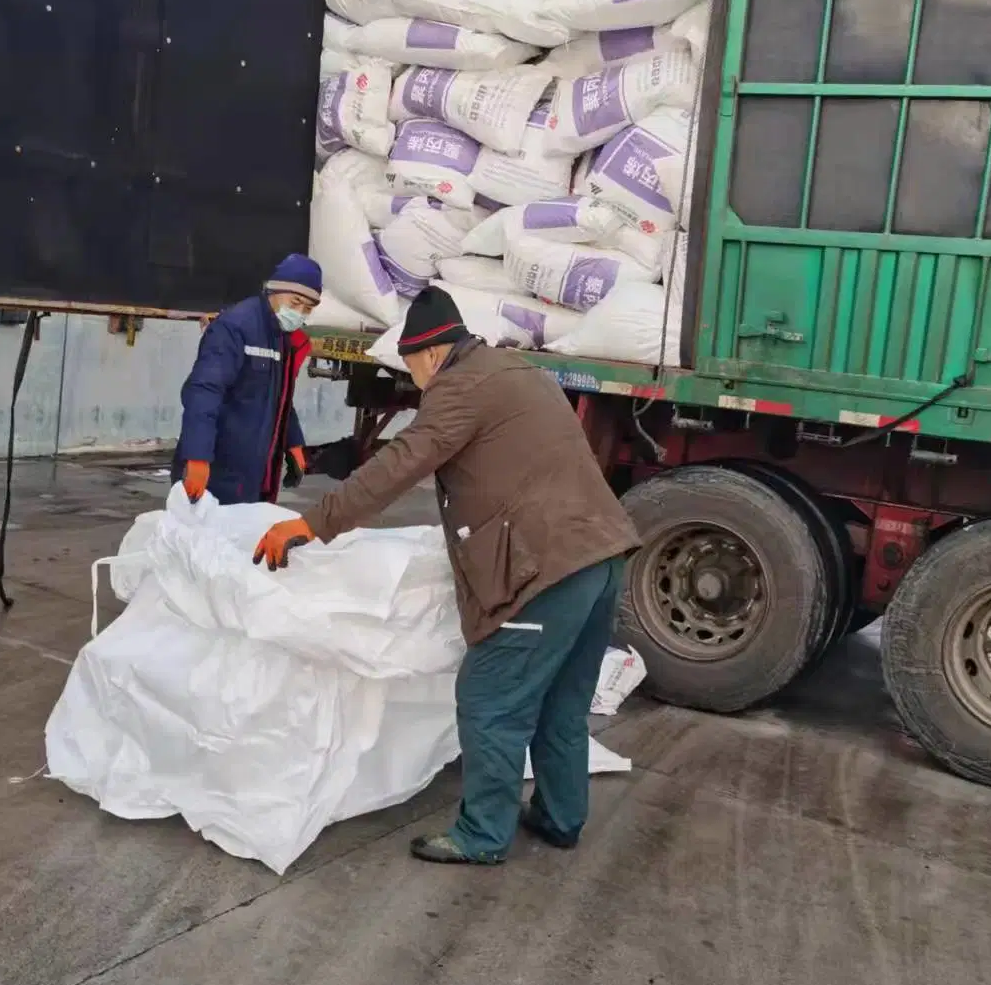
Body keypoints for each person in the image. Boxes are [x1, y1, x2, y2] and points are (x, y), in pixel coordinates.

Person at [254, 286, 640, 865]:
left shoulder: (460, 386)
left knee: (490, 699)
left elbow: (399, 464)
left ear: (430, 353)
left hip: (547, 569)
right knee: (561, 702)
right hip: (600, 557)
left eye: (411, 368)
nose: (415, 382)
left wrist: (312, 524)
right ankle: (561, 818)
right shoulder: (515, 369)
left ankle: (483, 835)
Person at [172, 253, 322, 507]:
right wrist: (197, 456)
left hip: (256, 472)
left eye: (308, 309)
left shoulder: (282, 337)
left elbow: (279, 395)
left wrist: (294, 442)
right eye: (295, 302)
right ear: (274, 290)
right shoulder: (236, 327)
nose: (299, 313)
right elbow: (204, 391)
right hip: (219, 469)